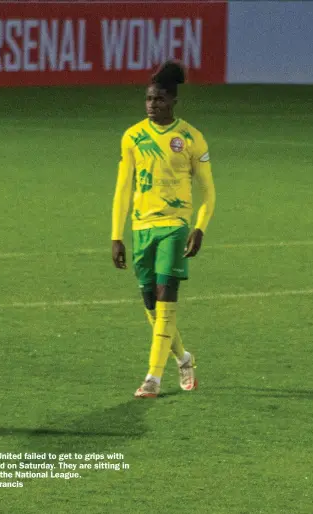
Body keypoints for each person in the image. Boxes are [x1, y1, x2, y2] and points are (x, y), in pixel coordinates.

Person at [111, 60, 216, 398]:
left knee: (165, 299)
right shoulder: (132, 137)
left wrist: (199, 227)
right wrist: (116, 235)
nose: (151, 105)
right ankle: (184, 359)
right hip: (141, 228)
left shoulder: (191, 138)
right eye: (148, 99)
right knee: (152, 307)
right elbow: (123, 188)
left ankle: (152, 379)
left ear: (173, 101)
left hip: (174, 227)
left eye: (158, 99)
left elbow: (209, 192)